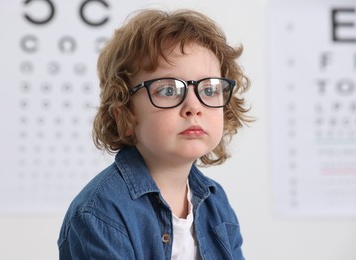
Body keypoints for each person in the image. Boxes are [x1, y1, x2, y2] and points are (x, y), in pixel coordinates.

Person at [58, 8, 250, 260]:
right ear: (125, 115)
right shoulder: (100, 213)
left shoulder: (216, 202)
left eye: (209, 89)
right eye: (168, 90)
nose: (194, 106)